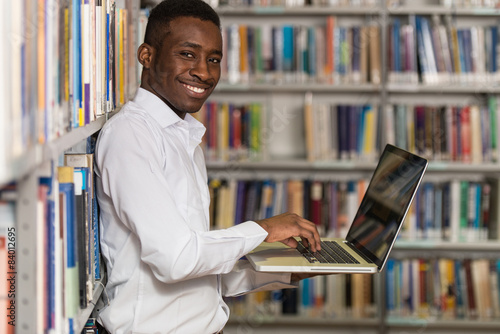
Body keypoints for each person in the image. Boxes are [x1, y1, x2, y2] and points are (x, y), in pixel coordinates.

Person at [94, 0, 322, 333]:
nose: (204, 72)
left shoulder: (182, 135)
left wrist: (287, 270)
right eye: (187, 54)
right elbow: (177, 259)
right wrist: (264, 230)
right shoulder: (131, 135)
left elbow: (198, 271)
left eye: (213, 59)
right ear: (147, 55)